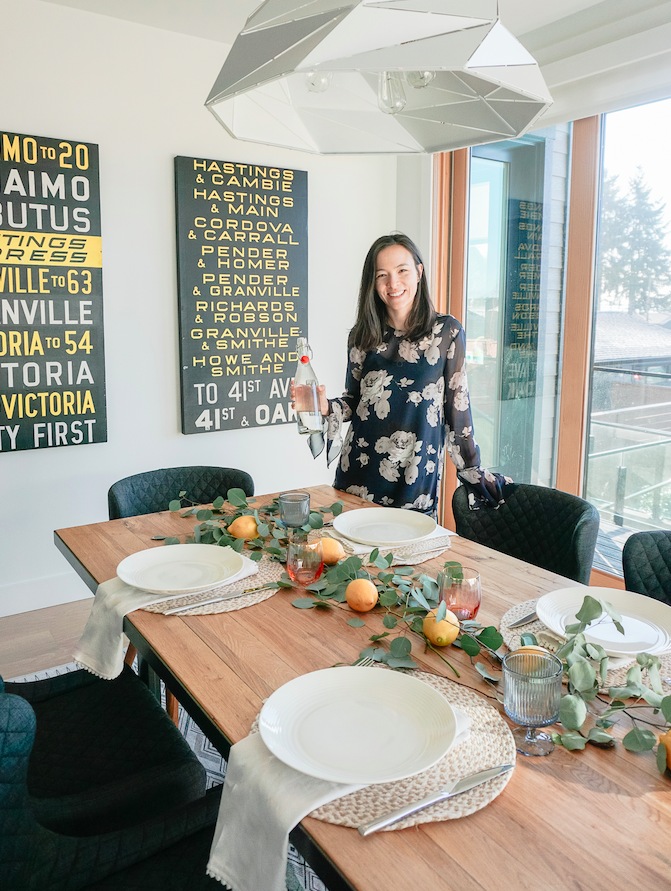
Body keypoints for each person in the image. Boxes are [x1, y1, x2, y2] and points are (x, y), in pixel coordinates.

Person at [300, 232, 509, 514]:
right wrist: (324, 406)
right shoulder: (362, 336)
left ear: (419, 272)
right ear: (372, 283)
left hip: (415, 479)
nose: (393, 283)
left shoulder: (447, 333)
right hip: (358, 473)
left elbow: (458, 412)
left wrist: (472, 471)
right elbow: (354, 400)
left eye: (402, 271)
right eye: (381, 275)